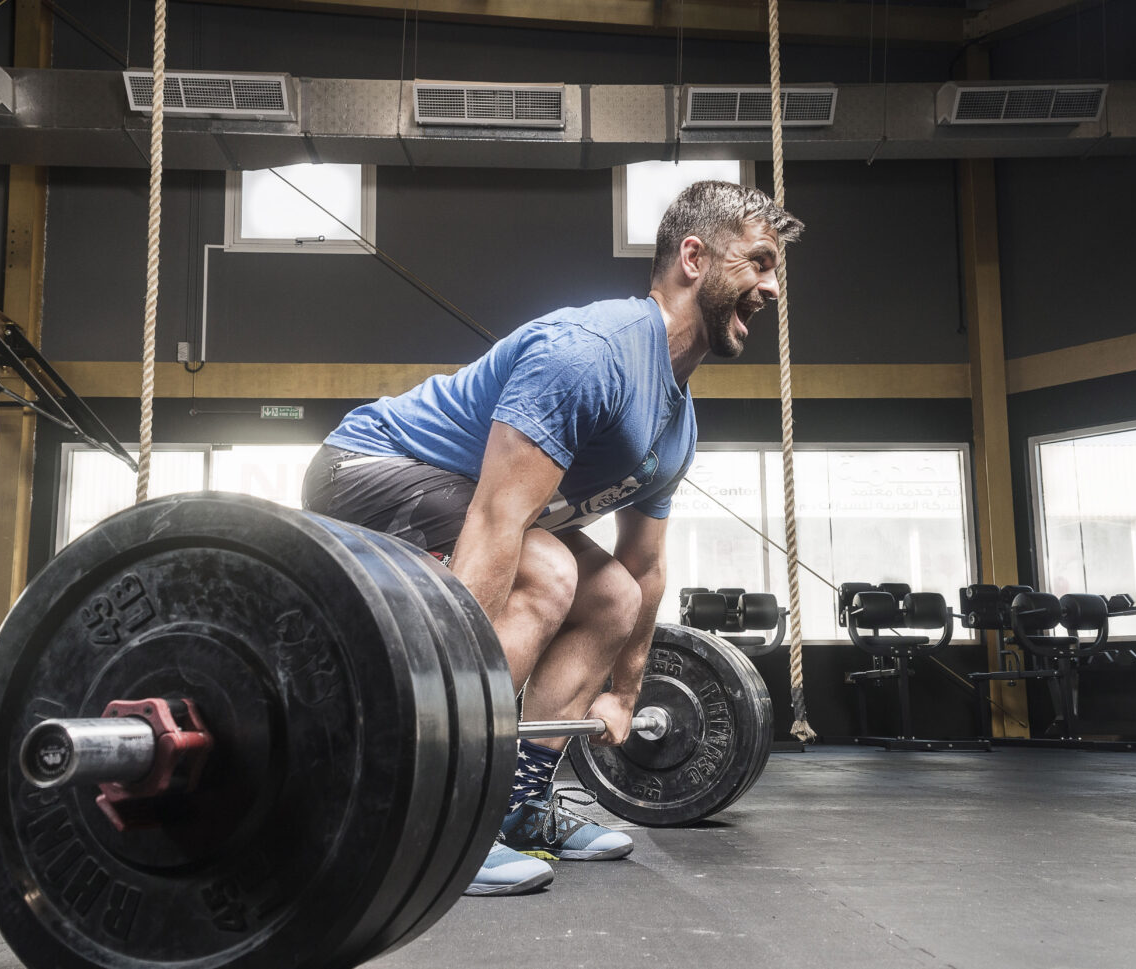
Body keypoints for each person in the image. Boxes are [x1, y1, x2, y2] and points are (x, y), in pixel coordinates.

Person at [302, 180, 804, 896]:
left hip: (469, 502)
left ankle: (518, 808)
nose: (772, 286)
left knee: (610, 596)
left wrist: (625, 695)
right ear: (694, 256)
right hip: (364, 466)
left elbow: (645, 568)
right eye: (758, 261)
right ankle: (443, 818)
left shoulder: (676, 422)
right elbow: (497, 522)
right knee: (545, 571)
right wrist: (452, 708)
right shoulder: (590, 351)